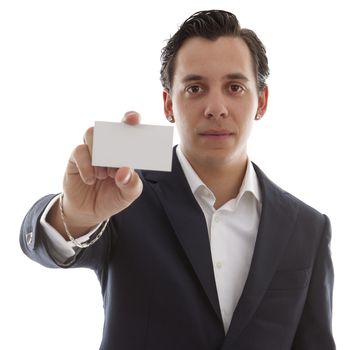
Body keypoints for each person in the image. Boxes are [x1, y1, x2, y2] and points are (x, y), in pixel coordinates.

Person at [20, 9, 336, 350]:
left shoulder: (308, 227)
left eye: (234, 87)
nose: (216, 107)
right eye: (196, 88)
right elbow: (42, 245)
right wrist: (77, 214)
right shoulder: (123, 195)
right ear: (169, 105)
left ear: (262, 100)